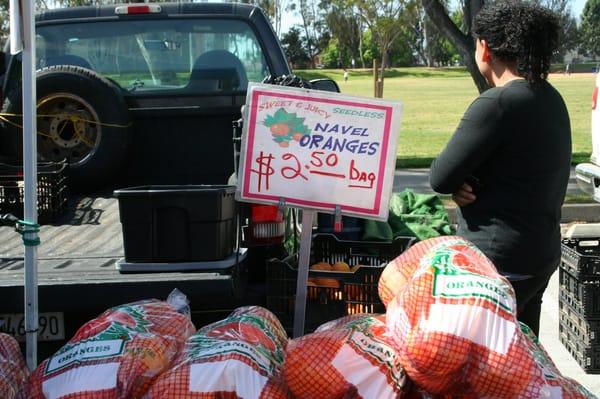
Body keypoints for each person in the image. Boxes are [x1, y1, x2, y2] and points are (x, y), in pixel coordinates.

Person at [429, 1, 571, 336]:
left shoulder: (497, 103)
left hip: (499, 263)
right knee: (522, 365)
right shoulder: (550, 97)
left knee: (485, 372)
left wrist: (459, 180)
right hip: (538, 256)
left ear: (484, 47)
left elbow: (440, 176)